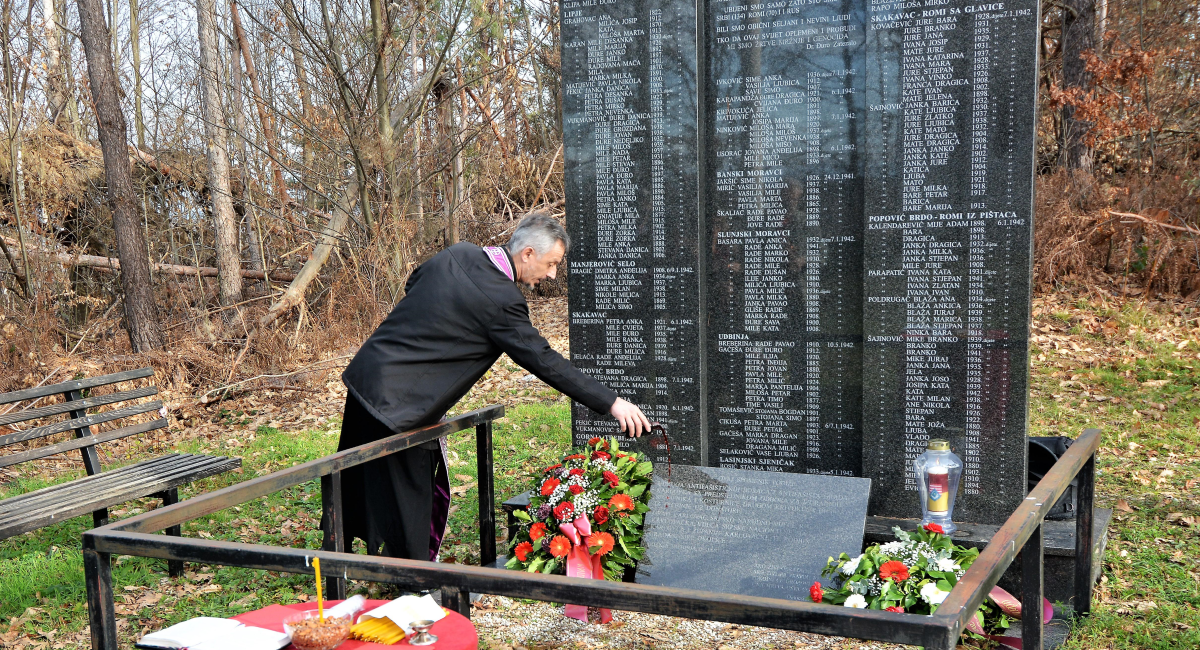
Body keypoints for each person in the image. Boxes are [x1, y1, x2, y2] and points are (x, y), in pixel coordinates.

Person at [334, 212, 652, 561]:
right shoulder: (501, 301)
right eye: (551, 264)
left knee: (352, 479)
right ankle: (415, 584)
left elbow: (416, 283)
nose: (551, 275)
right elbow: (545, 362)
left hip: (366, 376)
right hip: (402, 404)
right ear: (527, 253)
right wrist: (611, 402)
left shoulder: (460, 252)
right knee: (407, 494)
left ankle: (342, 560)